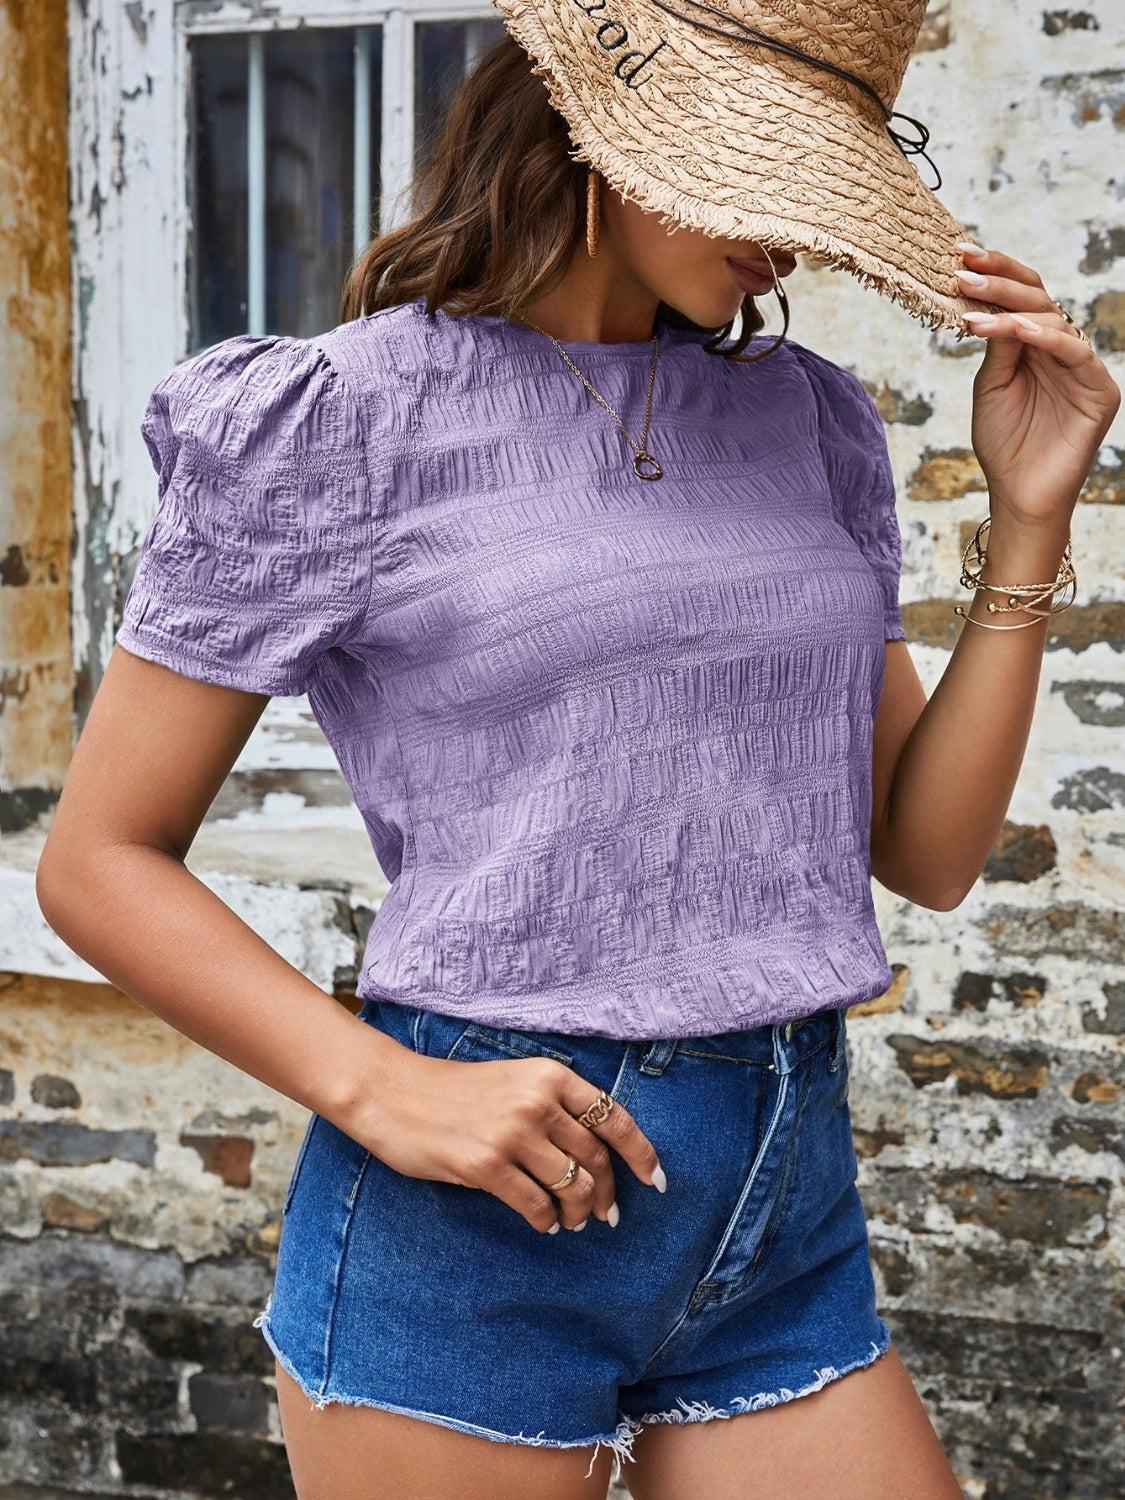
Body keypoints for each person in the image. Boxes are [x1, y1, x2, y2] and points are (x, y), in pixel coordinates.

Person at [36, 3, 1118, 1497]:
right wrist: (376, 1086)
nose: (789, 243)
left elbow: (922, 855)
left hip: (778, 1194)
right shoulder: (336, 417)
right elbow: (97, 862)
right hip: (478, 1210)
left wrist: (1029, 516)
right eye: (768, 181)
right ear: (606, 136)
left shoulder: (807, 422)